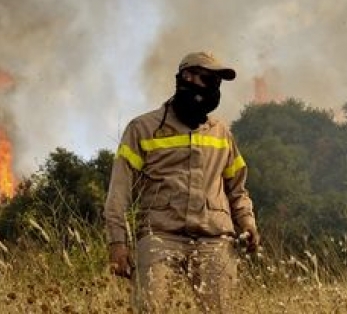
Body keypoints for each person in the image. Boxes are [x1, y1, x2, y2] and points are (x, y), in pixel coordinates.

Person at [104, 51, 260, 312]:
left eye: (217, 83)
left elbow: (237, 188)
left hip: (215, 240)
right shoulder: (142, 128)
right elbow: (118, 192)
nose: (214, 88)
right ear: (186, 78)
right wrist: (117, 242)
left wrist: (247, 222)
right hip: (159, 237)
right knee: (150, 308)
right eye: (207, 79)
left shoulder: (221, 133)